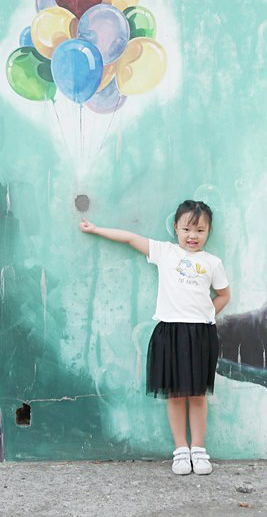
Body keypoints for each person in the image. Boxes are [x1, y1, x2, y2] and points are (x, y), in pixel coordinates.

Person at [79, 200, 231, 475]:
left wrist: (206, 313)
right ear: (176, 228)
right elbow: (129, 238)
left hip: (201, 334)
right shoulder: (165, 252)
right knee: (175, 394)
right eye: (187, 229)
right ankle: (181, 450)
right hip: (170, 331)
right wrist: (96, 229)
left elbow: (224, 295)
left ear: (208, 231)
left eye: (200, 230)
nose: (193, 236)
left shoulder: (212, 262)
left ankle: (199, 449)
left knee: (198, 395)